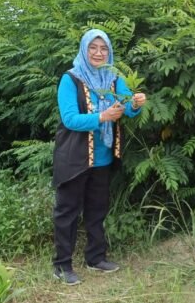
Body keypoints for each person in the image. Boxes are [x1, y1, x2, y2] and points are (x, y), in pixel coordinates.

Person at [51, 28, 146, 285]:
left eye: (103, 48)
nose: (98, 53)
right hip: (74, 158)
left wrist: (136, 103)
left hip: (102, 157)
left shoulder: (113, 78)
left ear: (109, 52)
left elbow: (127, 108)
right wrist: (102, 117)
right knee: (68, 211)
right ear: (84, 49)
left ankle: (95, 257)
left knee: (97, 209)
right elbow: (70, 119)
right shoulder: (70, 79)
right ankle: (62, 265)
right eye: (93, 47)